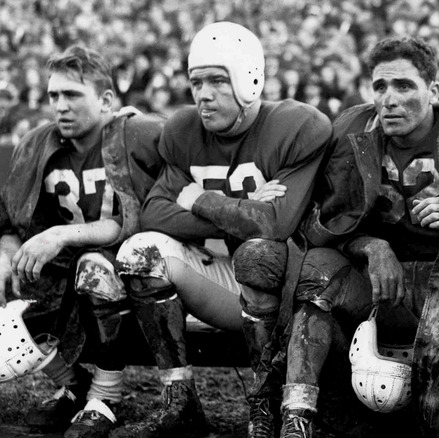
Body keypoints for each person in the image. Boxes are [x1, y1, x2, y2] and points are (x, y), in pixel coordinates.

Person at [240, 35, 439, 438]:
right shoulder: (352, 132)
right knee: (316, 270)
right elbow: (321, 222)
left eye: (404, 86)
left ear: (433, 90)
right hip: (381, 286)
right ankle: (297, 416)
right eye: (380, 87)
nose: (389, 99)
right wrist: (371, 246)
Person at [112, 21, 332, 438]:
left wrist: (199, 199)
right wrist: (245, 210)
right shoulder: (182, 130)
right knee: (140, 252)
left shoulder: (295, 125)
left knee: (258, 253)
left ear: (249, 78)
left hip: (289, 292)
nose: (203, 94)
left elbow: (276, 225)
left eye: (217, 81)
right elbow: (153, 214)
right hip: (224, 281)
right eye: (196, 82)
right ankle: (179, 400)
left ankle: (265, 403)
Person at [0, 45, 164, 437]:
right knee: (16, 278)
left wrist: (59, 234)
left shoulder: (136, 135)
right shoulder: (38, 143)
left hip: (130, 267)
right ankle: (74, 387)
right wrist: (7, 256)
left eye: (72, 94)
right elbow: (8, 220)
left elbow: (130, 219)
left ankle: (107, 396)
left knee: (95, 268)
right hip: (62, 271)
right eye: (54, 95)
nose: (59, 105)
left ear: (106, 99)